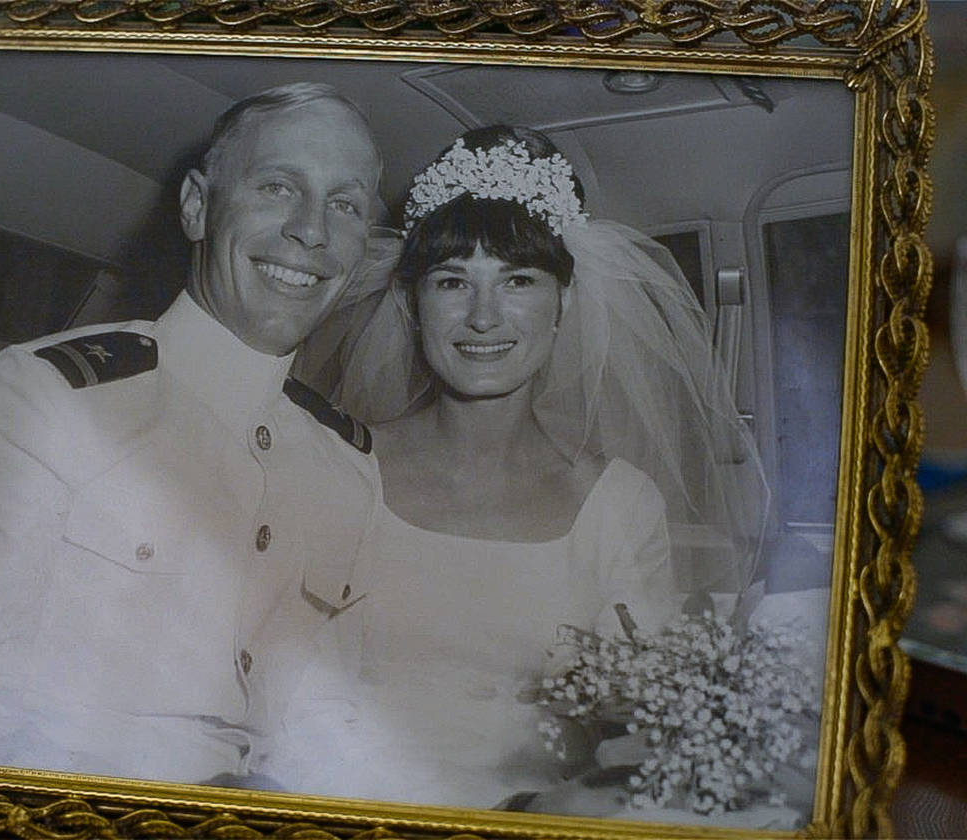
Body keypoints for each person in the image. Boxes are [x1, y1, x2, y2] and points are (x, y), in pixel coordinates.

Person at [0, 82, 384, 785]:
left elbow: (330, 716)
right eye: (280, 187)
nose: (312, 231)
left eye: (344, 204)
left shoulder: (347, 463)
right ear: (197, 207)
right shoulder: (46, 398)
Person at [270, 125, 768, 811]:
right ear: (415, 308)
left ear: (562, 303)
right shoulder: (338, 463)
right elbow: (276, 689)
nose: (482, 317)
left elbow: (637, 722)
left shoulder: (621, 503)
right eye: (452, 281)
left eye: (518, 280)